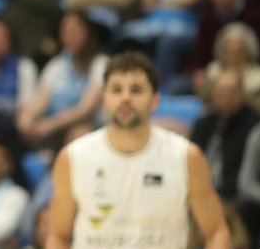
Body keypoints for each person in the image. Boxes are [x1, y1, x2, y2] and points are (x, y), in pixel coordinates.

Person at [46, 52, 231, 248]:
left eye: (136, 90)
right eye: (116, 90)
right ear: (104, 98)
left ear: (155, 100)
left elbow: (216, 232)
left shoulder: (186, 157)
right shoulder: (73, 157)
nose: (125, 98)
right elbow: (58, 236)